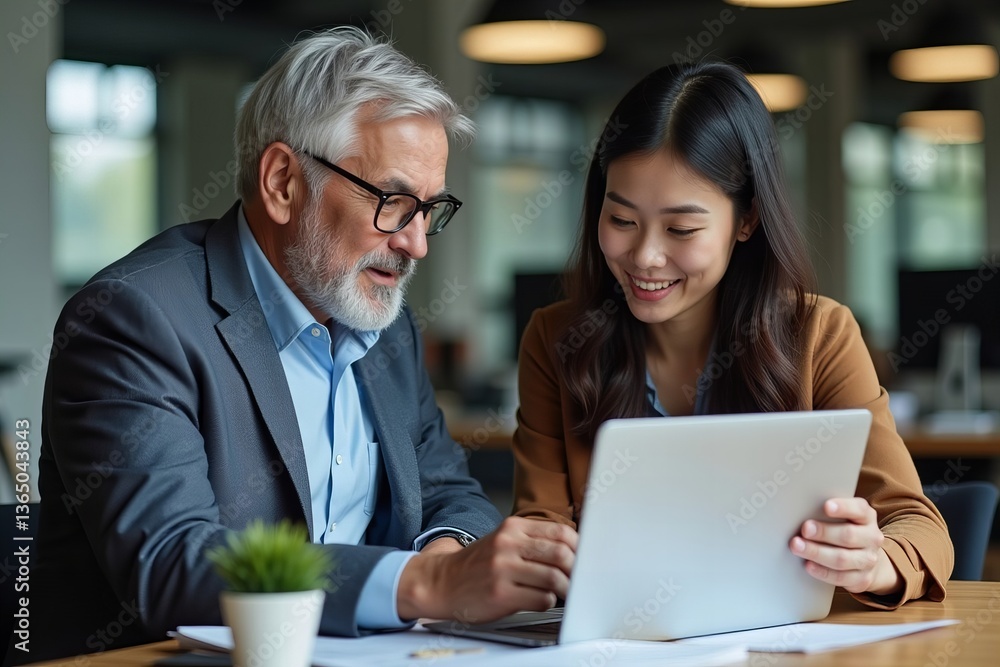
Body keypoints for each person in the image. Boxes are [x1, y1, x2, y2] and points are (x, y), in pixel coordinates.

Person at [22, 27, 575, 664]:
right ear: (283, 181)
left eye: (429, 209)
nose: (417, 243)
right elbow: (171, 563)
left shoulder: (384, 322)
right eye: (394, 202)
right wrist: (426, 585)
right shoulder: (133, 317)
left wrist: (447, 555)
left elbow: (448, 490)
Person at [512, 61, 952, 609]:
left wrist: (875, 561)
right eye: (622, 220)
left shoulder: (819, 335)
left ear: (746, 221)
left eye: (682, 229)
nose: (645, 256)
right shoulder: (556, 339)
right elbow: (540, 527)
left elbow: (919, 527)